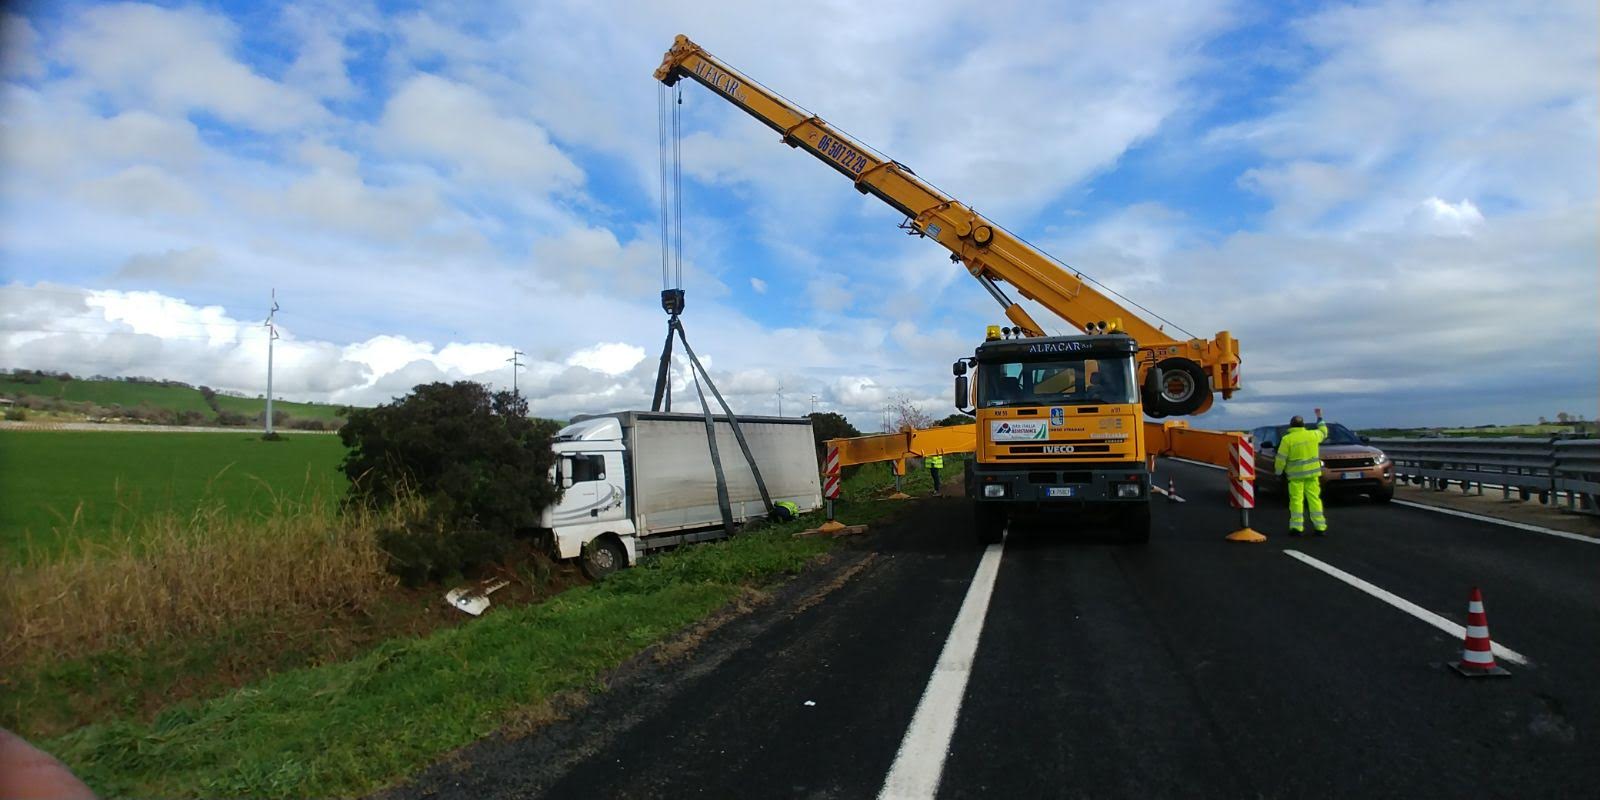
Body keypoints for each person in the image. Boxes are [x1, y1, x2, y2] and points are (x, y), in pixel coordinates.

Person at [1274, 407, 1330, 536]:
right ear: (1303, 425)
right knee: (1315, 500)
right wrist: (1319, 417)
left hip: (1295, 477)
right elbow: (1324, 432)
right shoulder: (1312, 435)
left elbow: (1281, 459)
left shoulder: (1287, 439)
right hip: (1312, 475)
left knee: (1296, 501)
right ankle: (1320, 527)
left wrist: (1278, 472)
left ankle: (1297, 527)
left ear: (1291, 426)